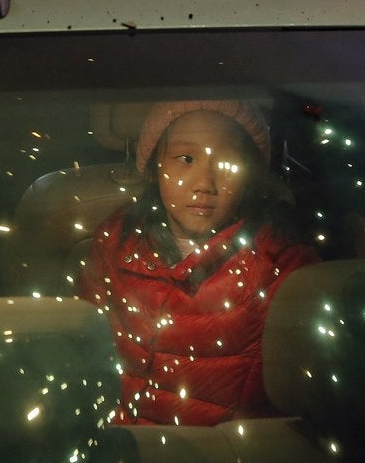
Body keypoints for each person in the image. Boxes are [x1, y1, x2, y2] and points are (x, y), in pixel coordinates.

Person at [76, 99, 319, 427]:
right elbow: (82, 359)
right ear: (154, 167)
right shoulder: (117, 241)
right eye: (185, 159)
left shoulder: (281, 267)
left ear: (251, 173)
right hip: (119, 452)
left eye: (228, 161)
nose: (205, 182)